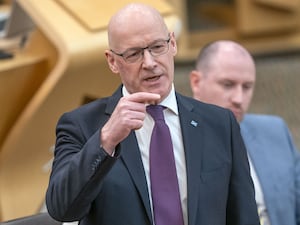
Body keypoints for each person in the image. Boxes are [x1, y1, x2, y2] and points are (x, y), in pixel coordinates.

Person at [45, 4, 260, 225]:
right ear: (112, 61)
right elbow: (62, 209)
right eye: (134, 54)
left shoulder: (220, 123)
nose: (150, 63)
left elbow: (244, 216)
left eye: (157, 47)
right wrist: (106, 139)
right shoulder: (82, 125)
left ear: (173, 44)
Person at [189, 40, 300, 225]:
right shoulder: (175, 142)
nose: (239, 98)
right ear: (196, 82)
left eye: (247, 87)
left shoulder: (275, 132)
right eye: (227, 84)